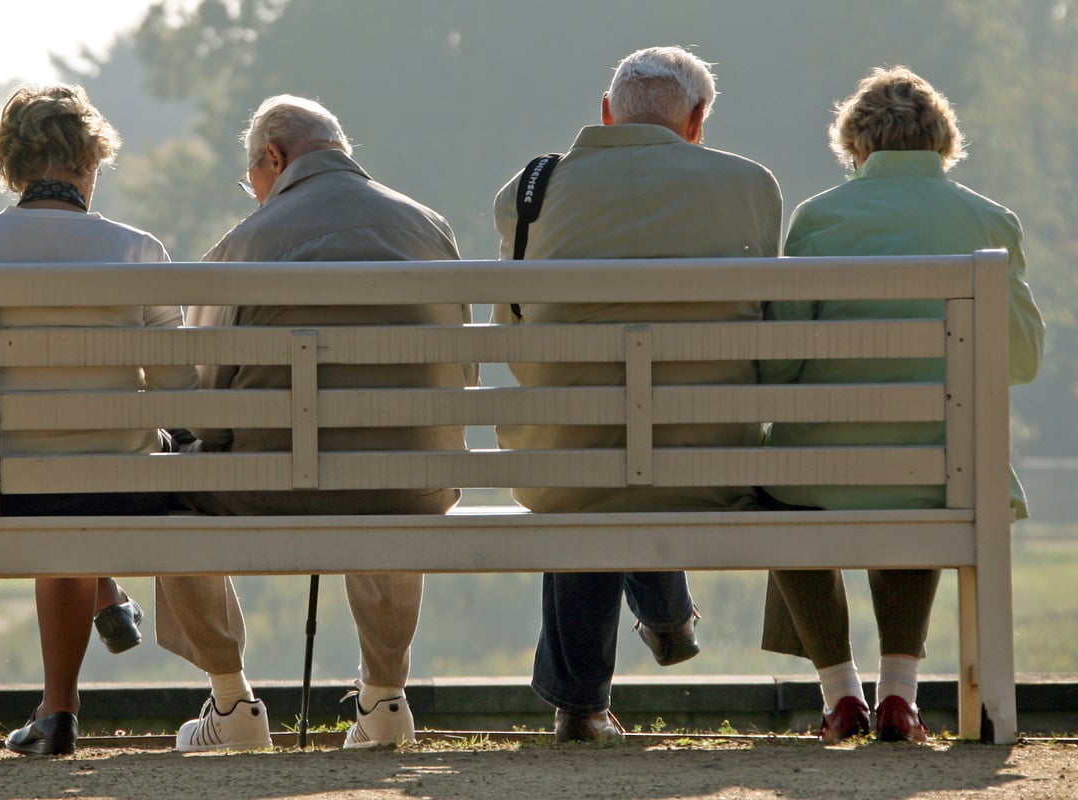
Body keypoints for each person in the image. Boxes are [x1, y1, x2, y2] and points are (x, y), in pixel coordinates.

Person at [155, 94, 473, 752]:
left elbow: (204, 411)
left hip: (268, 489)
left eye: (252, 179)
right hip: (414, 488)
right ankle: (385, 701)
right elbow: (460, 378)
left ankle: (231, 704)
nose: (254, 193)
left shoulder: (245, 245)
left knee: (165, 487)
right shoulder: (430, 229)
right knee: (395, 460)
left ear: (273, 157)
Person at [491, 46, 782, 742]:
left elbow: (511, 331)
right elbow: (768, 327)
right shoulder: (750, 186)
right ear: (697, 118)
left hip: (566, 462)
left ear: (606, 112)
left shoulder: (527, 193)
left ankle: (580, 707)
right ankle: (666, 616)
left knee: (586, 455)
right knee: (646, 435)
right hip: (711, 463)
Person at [760, 66, 1045, 744]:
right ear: (942, 141)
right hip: (944, 471)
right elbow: (1023, 360)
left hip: (820, 476)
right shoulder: (991, 222)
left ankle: (841, 696)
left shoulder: (818, 219)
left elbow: (778, 366)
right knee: (928, 470)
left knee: (775, 486)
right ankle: (899, 697)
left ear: (856, 144)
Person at [0, 84, 197, 756]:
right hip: (120, 486)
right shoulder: (137, 250)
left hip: (6, 487)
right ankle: (87, 640)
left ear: (10, 164)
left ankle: (59, 708)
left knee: (55, 486)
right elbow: (179, 389)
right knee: (94, 478)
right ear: (90, 160)